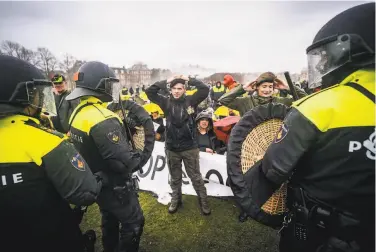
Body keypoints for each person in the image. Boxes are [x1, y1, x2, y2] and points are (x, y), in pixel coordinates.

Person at [243, 3, 375, 252]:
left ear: (350, 51)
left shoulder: (318, 106)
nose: (322, 65)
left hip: (321, 233)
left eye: (326, 56)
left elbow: (273, 169)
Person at [0, 55, 102, 252]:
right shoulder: (45, 141)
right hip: (49, 236)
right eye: (36, 93)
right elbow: (86, 193)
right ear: (22, 97)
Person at [66, 61, 146, 252]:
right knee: (134, 221)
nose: (112, 88)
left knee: (108, 216)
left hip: (97, 180)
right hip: (116, 185)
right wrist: (140, 156)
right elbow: (123, 163)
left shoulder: (77, 112)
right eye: (109, 84)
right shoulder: (103, 117)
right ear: (100, 85)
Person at [145, 75, 211, 215]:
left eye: (179, 88)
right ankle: (176, 199)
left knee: (196, 177)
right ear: (170, 89)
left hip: (190, 148)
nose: (176, 91)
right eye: (174, 88)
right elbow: (149, 92)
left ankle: (203, 202)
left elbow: (205, 89)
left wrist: (189, 78)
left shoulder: (191, 100)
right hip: (172, 148)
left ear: (184, 89)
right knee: (175, 178)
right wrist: (165, 81)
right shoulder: (165, 102)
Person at [218, 72, 307, 116]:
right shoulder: (245, 102)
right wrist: (242, 89)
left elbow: (306, 99)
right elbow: (223, 100)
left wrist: (288, 88)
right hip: (251, 144)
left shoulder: (280, 102)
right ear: (257, 87)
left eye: (270, 86)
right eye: (264, 86)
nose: (267, 90)